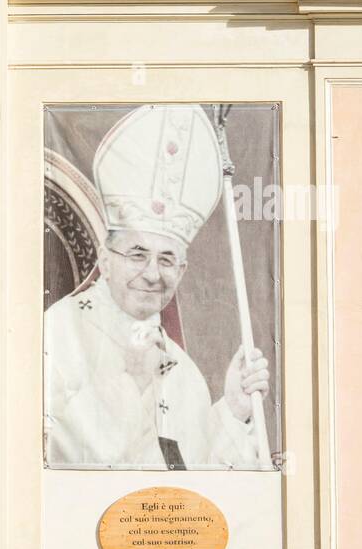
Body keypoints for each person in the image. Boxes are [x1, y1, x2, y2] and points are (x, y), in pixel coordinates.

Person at [44, 104, 270, 470]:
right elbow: (55, 457)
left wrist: (232, 409)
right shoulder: (59, 331)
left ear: (181, 271)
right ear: (105, 260)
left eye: (166, 260)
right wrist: (129, 382)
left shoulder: (185, 372)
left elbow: (195, 480)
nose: (153, 273)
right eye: (137, 254)